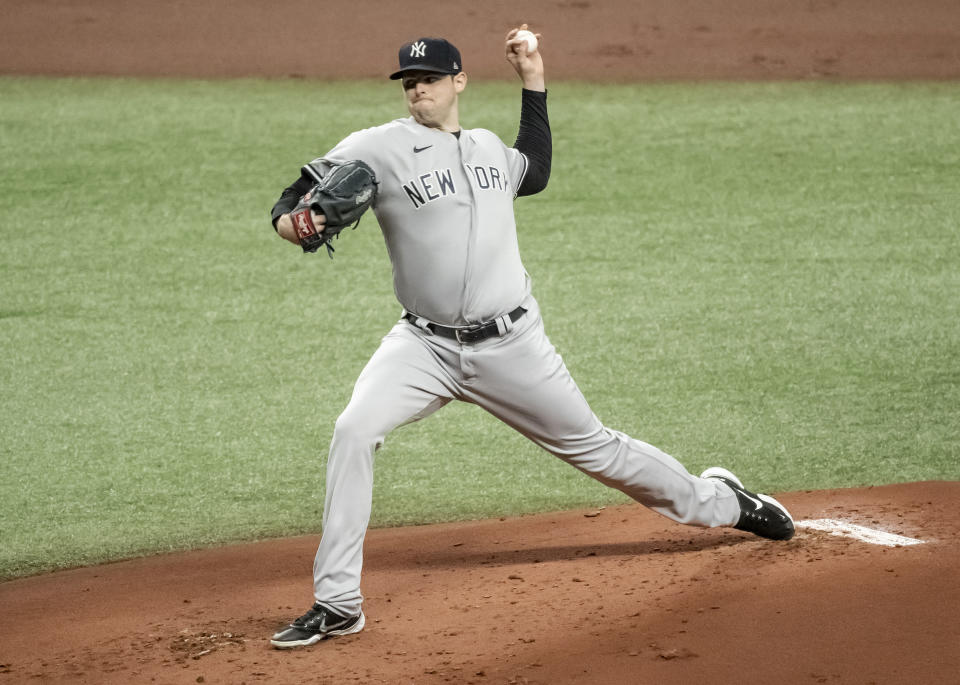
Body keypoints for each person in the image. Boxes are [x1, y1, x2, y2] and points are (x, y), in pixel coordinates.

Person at [267, 26, 795, 650]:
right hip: (424, 347)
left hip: (511, 345)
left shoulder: (489, 148)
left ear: (458, 81)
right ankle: (337, 602)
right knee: (354, 430)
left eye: (431, 81)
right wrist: (296, 222)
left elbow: (536, 171)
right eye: (410, 84)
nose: (419, 93)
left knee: (598, 450)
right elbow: (293, 202)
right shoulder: (375, 147)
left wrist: (533, 79)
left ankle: (725, 504)